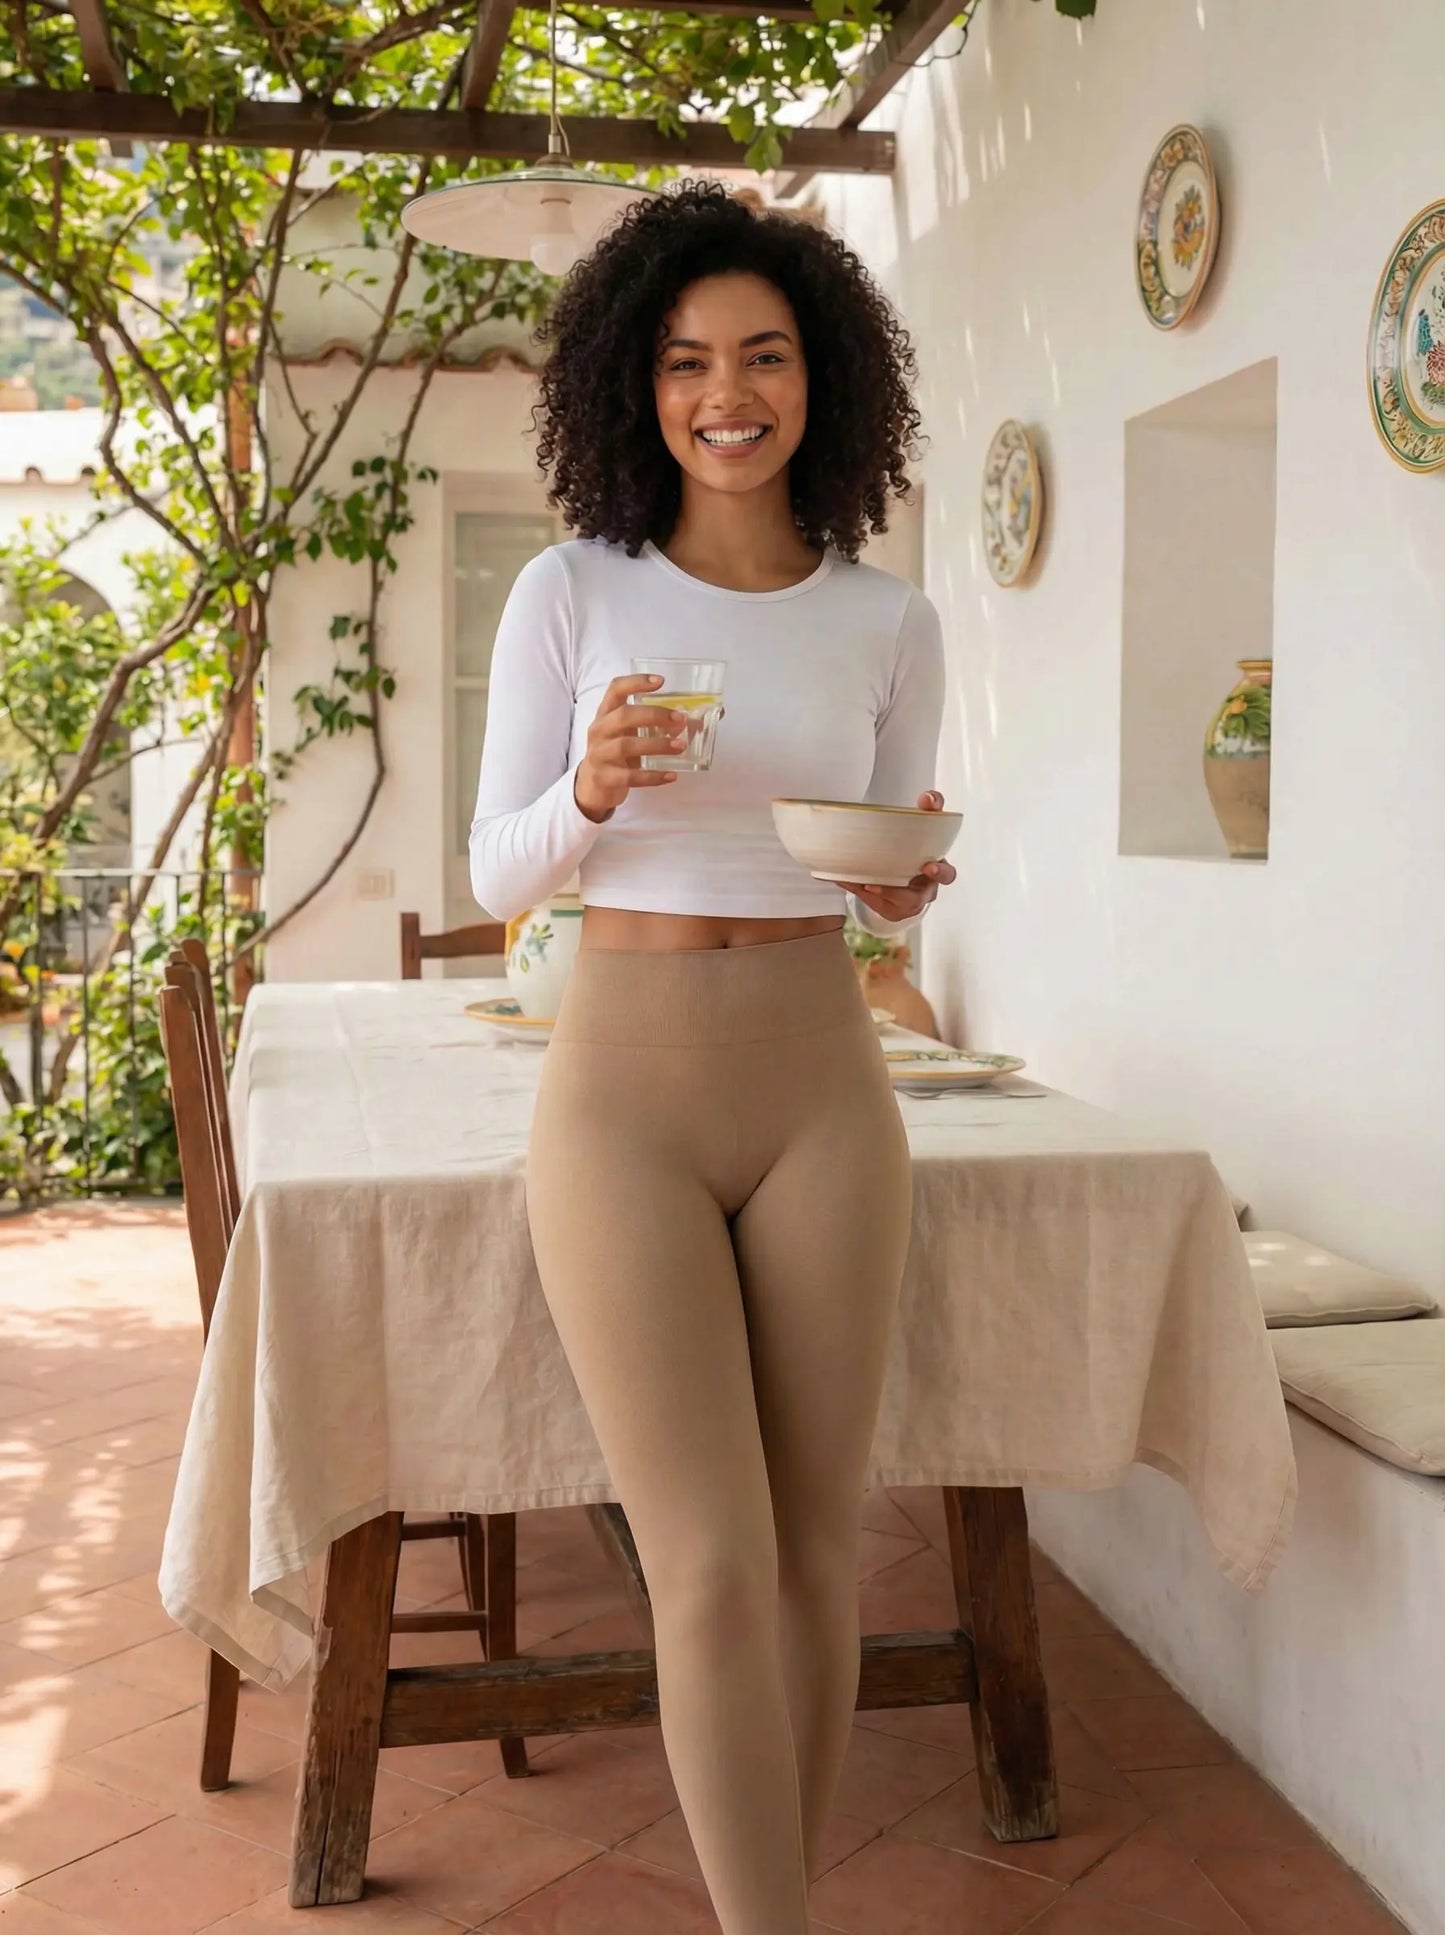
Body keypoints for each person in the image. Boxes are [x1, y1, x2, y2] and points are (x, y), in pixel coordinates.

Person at [469, 179, 955, 1935]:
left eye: (760, 354)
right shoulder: (566, 588)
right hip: (623, 1090)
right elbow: (492, 870)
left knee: (821, 1550)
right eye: (683, 361)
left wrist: (903, 871)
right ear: (634, 385)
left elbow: (880, 874)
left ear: (819, 374)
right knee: (711, 1560)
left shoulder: (886, 618)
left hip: (822, 1072)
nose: (723, 392)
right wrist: (588, 790)